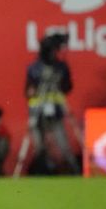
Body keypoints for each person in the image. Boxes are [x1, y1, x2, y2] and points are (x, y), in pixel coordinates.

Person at [26, 33, 78, 174]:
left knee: (63, 143)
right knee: (39, 145)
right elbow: (28, 91)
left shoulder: (61, 67)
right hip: (38, 111)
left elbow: (67, 87)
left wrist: (60, 82)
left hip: (56, 110)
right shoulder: (34, 68)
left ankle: (73, 169)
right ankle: (43, 169)